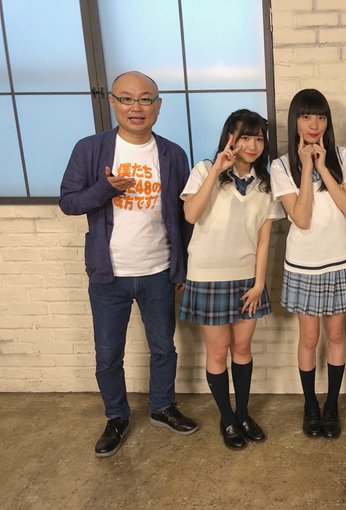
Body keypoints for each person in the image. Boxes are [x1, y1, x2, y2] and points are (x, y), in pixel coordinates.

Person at [59, 71, 198, 458]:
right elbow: (68, 202)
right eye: (127, 98)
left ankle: (162, 407)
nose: (137, 107)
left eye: (145, 99)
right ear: (112, 102)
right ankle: (116, 417)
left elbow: (184, 216)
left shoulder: (172, 153)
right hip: (109, 275)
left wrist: (182, 267)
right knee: (108, 354)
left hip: (158, 271)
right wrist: (105, 189)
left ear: (158, 105)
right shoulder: (90, 149)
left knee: (164, 347)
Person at [179, 109, 282, 450]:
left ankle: (243, 414)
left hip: (246, 280)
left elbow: (264, 240)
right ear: (230, 138)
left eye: (258, 138)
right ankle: (226, 418)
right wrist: (217, 171)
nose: (252, 145)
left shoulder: (265, 185)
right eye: (245, 137)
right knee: (217, 352)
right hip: (207, 277)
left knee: (242, 349)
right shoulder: (204, 170)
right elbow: (191, 214)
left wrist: (259, 283)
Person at [270, 89, 346, 440]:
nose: (314, 124)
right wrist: (306, 166)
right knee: (309, 337)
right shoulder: (280, 166)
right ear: (295, 120)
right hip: (304, 265)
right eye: (306, 116)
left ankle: (332, 405)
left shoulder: (342, 156)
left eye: (321, 117)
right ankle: (310, 404)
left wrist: (323, 166)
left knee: (336, 334)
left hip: (342, 260)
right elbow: (302, 218)